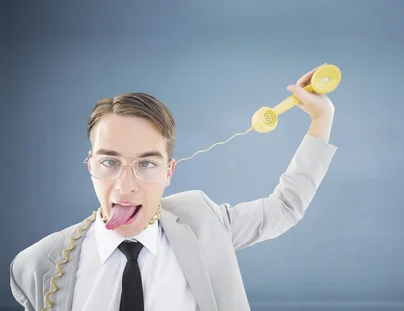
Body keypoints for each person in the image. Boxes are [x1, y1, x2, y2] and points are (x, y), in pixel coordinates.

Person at [9, 64, 338, 311]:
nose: (126, 186)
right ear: (90, 164)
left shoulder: (203, 221)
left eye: (146, 164)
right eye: (110, 162)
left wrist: (320, 120)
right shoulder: (35, 266)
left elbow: (283, 209)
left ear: (169, 172)